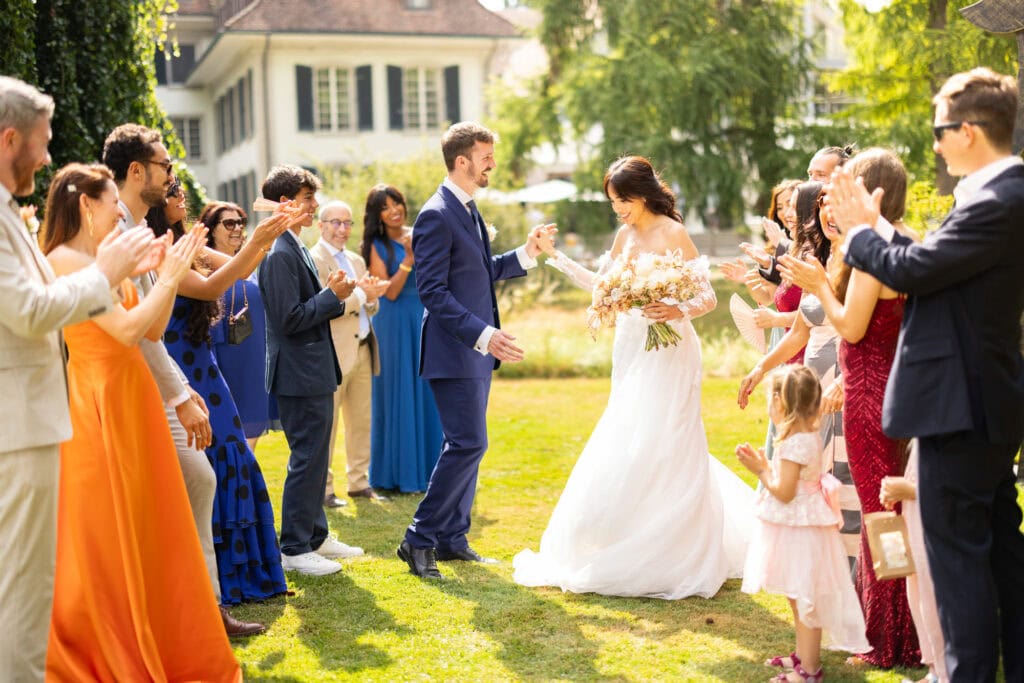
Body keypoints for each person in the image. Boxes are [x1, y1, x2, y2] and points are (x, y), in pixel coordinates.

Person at [835, 67, 1024, 682]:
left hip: (960, 407)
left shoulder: (1000, 200)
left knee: (958, 569)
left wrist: (862, 232)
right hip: (977, 403)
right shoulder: (992, 197)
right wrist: (873, 233)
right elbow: (929, 269)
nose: (936, 143)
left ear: (967, 130)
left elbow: (916, 270)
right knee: (1000, 560)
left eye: (941, 129)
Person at [512, 156, 754, 598]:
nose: (617, 210)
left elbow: (706, 297)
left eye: (621, 200)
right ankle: (627, 536)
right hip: (631, 346)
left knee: (669, 436)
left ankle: (676, 548)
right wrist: (556, 257)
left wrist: (675, 309)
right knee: (630, 434)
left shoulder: (673, 232)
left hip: (671, 347)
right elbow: (603, 287)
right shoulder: (624, 235)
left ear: (641, 195)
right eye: (612, 203)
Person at [42, 163, 240, 680]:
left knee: (149, 522)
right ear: (87, 206)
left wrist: (166, 277)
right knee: (111, 530)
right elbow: (125, 330)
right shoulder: (66, 259)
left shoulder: (107, 259)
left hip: (135, 398)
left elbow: (151, 326)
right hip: (100, 401)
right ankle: (112, 639)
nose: (121, 215)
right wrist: (171, 275)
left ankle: (153, 627)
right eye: (113, 206)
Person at [0, 76, 154, 681]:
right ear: (8, 138)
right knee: (25, 587)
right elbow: (28, 311)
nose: (46, 155)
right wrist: (104, 273)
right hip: (19, 426)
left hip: (28, 420)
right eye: (40, 142)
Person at [102, 123, 262, 636]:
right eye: (165, 166)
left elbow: (155, 325)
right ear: (136, 171)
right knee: (165, 491)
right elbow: (143, 327)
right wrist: (179, 392)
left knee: (199, 477)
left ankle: (204, 606)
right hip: (127, 385)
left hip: (158, 378)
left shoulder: (139, 229)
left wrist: (180, 388)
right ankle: (176, 610)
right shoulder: (115, 230)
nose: (173, 176)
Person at [779, 148, 921, 668]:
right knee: (894, 510)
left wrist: (818, 286)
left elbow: (851, 326)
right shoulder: (905, 241)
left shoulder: (874, 249)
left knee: (879, 517)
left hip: (867, 390)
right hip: (894, 385)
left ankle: (889, 638)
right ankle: (899, 625)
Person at [397, 122, 556, 580]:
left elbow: (480, 271)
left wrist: (526, 253)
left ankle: (451, 538)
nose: (492, 164)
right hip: (454, 350)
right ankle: (419, 538)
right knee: (469, 443)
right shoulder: (436, 213)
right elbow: (432, 291)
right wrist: (484, 335)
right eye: (485, 156)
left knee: (464, 444)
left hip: (473, 353)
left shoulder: (465, 208)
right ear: (461, 160)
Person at [164, 200, 294, 604]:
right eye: (173, 186)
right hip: (181, 363)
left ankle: (242, 574)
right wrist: (257, 238)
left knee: (234, 453)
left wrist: (267, 235)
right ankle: (221, 578)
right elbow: (210, 287)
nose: (182, 198)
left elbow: (241, 269)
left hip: (205, 364)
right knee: (215, 460)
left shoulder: (189, 241)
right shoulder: (157, 245)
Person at [258, 164, 382, 576]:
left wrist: (335, 295)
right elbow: (288, 319)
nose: (314, 206)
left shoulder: (294, 245)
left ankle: (316, 535)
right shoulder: (278, 253)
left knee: (313, 459)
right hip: (298, 373)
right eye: (309, 199)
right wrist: (333, 297)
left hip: (314, 369)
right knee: (307, 458)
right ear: (286, 204)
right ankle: (293, 547)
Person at [738, 181, 860, 564]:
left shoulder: (860, 267)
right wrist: (760, 368)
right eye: (822, 205)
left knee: (845, 473)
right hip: (812, 385)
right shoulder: (818, 263)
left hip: (846, 381)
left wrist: (844, 380)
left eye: (835, 205)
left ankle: (854, 562)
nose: (827, 214)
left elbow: (862, 331)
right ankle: (824, 560)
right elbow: (797, 333)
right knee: (815, 473)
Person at [737, 365, 870, 683]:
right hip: (802, 525)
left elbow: (783, 493)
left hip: (800, 530)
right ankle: (802, 655)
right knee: (799, 598)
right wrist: (771, 466)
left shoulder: (794, 443)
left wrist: (760, 470)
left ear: (781, 404)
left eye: (770, 399)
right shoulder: (804, 435)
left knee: (805, 599)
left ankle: (810, 671)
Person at [362, 184, 443, 494]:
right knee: (398, 392)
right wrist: (408, 259)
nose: (394, 210)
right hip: (394, 322)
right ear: (377, 215)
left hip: (424, 316)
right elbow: (390, 291)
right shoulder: (377, 246)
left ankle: (433, 471)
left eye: (397, 203)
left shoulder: (420, 231)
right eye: (386, 206)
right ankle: (397, 474)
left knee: (428, 391)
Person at [311, 200, 386, 504]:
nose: (342, 229)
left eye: (347, 223)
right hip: (333, 352)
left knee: (360, 422)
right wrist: (361, 296)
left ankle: (358, 481)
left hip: (364, 349)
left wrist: (371, 298)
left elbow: (370, 305)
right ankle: (324, 489)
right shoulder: (314, 260)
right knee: (327, 426)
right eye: (335, 223)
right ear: (321, 225)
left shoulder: (355, 260)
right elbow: (326, 307)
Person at [206, 202, 279, 452]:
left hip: (254, 356)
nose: (237, 228)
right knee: (226, 433)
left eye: (240, 222)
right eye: (228, 223)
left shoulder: (251, 264)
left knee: (252, 430)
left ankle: (245, 484)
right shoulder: (203, 265)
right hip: (224, 354)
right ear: (211, 229)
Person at [879, 445, 947, 683]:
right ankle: (934, 670)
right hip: (914, 512)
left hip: (933, 519)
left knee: (931, 596)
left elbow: (953, 484)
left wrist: (910, 489)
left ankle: (946, 672)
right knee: (916, 591)